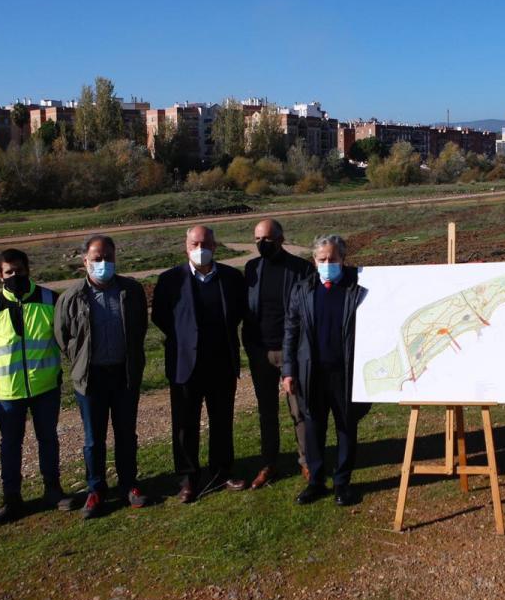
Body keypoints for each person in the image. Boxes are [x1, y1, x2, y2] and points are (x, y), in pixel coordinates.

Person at [55, 235, 150, 519]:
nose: (103, 263)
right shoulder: (72, 296)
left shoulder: (131, 290)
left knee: (125, 433)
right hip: (91, 377)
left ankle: (129, 484)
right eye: (97, 259)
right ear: (85, 261)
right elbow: (63, 336)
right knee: (93, 438)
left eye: (108, 257)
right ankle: (95, 488)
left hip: (124, 373)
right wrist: (82, 362)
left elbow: (139, 328)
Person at [151, 225, 248, 503]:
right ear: (186, 247)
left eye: (205, 243)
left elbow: (239, 311)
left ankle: (222, 471)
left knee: (222, 420)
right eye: (194, 244)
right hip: (185, 363)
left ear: (215, 246)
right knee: (184, 424)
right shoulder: (170, 279)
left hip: (221, 362)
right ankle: (187, 479)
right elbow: (160, 316)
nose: (200, 249)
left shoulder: (230, 278)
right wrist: (185, 337)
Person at [0, 249, 73, 525]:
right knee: (10, 444)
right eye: (8, 272)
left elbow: (62, 337)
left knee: (48, 439)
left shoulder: (50, 299)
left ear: (28, 269)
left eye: (19, 270)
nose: (14, 276)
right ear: (0, 275)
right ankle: (12, 499)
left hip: (45, 387)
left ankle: (53, 490)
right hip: (8, 391)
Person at [282, 234, 370, 507]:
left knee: (346, 426)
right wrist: (288, 370)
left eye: (333, 259)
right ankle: (315, 482)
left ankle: (342, 483)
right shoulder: (302, 290)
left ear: (343, 259)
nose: (327, 263)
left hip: (345, 371)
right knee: (313, 427)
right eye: (322, 259)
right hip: (312, 372)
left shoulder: (358, 288)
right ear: (314, 260)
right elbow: (291, 332)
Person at [232, 218, 315, 491]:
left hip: (292, 352)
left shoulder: (301, 268)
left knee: (299, 409)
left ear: (280, 238)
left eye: (266, 239)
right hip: (260, 351)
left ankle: (306, 460)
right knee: (266, 411)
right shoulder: (252, 268)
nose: (261, 244)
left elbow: (307, 312)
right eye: (256, 239)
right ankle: (269, 462)